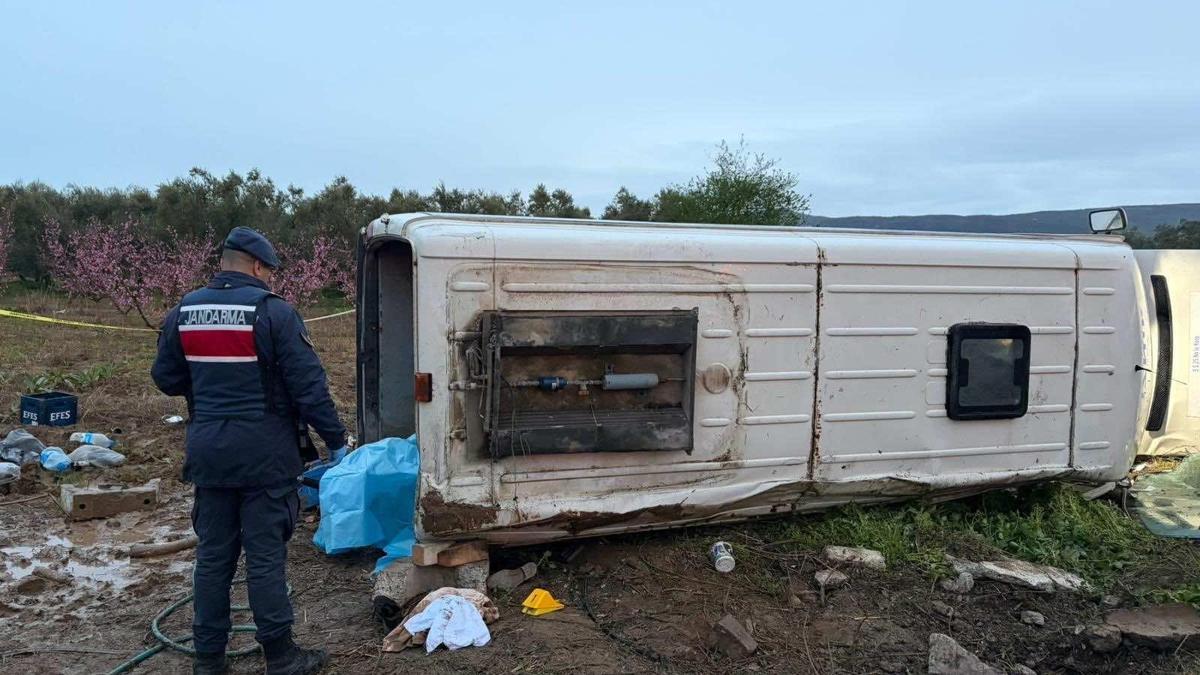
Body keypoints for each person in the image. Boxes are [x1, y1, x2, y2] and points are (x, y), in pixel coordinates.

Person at [152, 226, 348, 675]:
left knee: (214, 556)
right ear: (258, 266)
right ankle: (281, 656)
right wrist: (336, 440)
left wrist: (209, 391)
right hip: (265, 456)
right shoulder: (273, 314)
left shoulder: (184, 310)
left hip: (209, 454)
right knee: (264, 558)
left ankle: (208, 661)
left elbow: (166, 379)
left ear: (224, 262)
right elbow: (308, 388)